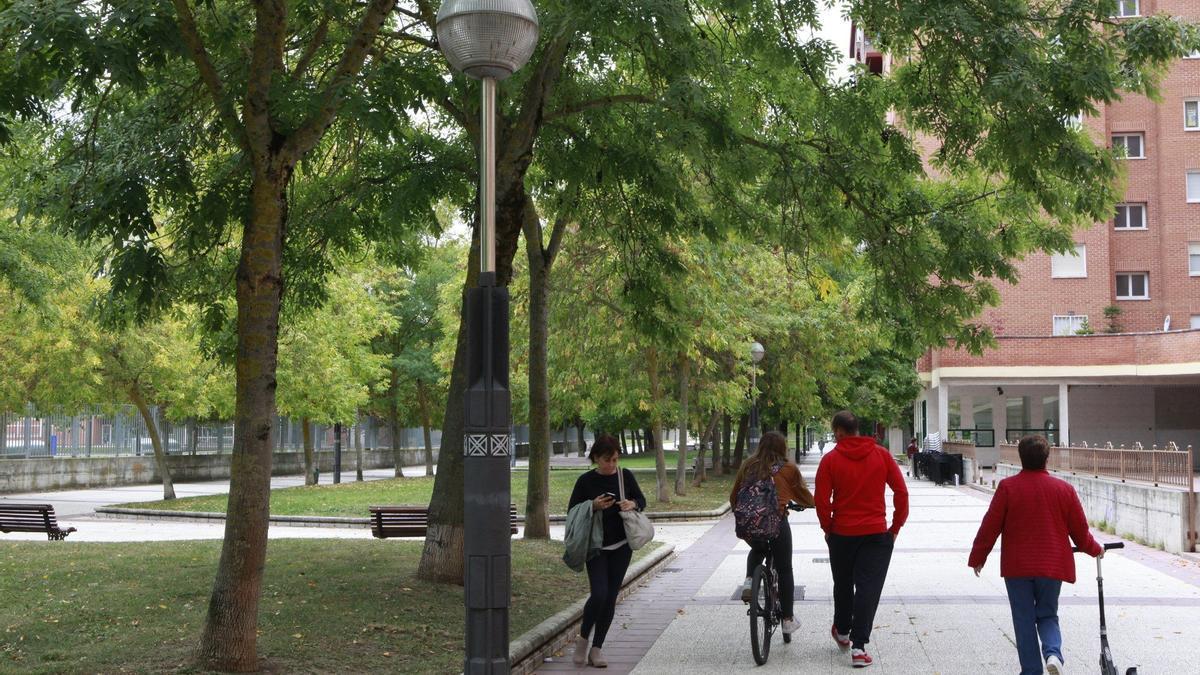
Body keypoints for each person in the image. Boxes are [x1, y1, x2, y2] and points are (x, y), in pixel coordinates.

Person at [968, 435, 1102, 675]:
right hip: (1052, 566)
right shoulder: (1064, 490)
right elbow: (1080, 533)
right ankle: (1052, 653)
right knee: (1048, 613)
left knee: (1023, 619)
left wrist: (979, 556)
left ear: (1020, 458)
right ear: (1046, 458)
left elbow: (991, 525)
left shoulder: (1008, 488)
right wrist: (1096, 549)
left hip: (1018, 567)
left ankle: (1031, 671)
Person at [815, 410, 909, 669]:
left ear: (838, 432)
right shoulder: (882, 455)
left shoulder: (830, 460)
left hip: (842, 533)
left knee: (843, 583)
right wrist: (895, 526)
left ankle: (842, 631)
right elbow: (901, 492)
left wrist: (828, 528)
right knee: (868, 588)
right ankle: (859, 648)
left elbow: (821, 501)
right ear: (858, 429)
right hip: (876, 533)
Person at [568, 434, 646, 668]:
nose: (611, 465)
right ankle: (583, 640)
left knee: (611, 597)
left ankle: (597, 649)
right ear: (596, 458)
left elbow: (641, 499)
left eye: (614, 459)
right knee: (599, 593)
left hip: (621, 546)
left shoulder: (625, 476)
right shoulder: (585, 481)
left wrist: (632, 504)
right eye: (606, 460)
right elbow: (572, 511)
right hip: (596, 546)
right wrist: (593, 505)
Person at [729, 431, 815, 636]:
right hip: (776, 523)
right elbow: (805, 497)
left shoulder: (748, 466)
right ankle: (787, 619)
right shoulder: (788, 469)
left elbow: (734, 497)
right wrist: (810, 504)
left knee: (757, 549)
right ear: (783, 448)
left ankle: (750, 582)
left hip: (750, 525)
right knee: (785, 568)